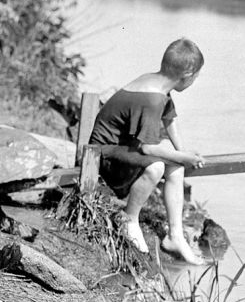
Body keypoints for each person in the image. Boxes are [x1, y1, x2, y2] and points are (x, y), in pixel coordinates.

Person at [88, 38, 207, 265]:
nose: (195, 80)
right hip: (102, 154)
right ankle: (129, 219)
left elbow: (169, 118)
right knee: (157, 166)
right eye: (197, 76)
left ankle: (175, 235)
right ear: (188, 74)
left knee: (176, 166)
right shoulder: (151, 98)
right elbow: (148, 148)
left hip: (123, 146)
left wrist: (183, 153)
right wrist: (184, 157)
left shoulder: (158, 84)